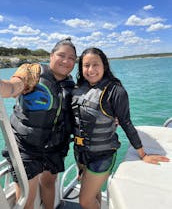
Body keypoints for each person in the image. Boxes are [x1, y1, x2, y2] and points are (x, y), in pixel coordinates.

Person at [71, 47, 170, 209]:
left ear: (104, 66)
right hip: (81, 153)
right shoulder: (79, 88)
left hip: (102, 155)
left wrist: (142, 153)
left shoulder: (115, 91)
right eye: (86, 65)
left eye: (95, 65)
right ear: (81, 68)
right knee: (93, 194)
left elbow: (126, 123)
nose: (91, 70)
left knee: (84, 201)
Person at [0, 37, 77, 209]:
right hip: (26, 145)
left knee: (50, 183)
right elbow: (12, 87)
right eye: (61, 55)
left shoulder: (71, 85)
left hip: (55, 147)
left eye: (71, 58)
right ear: (51, 55)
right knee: (28, 195)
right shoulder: (32, 71)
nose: (66, 61)